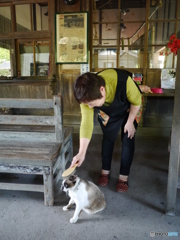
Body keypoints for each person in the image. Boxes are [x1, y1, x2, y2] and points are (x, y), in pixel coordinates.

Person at [71, 68, 144, 192]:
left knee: (128, 138)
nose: (89, 107)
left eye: (92, 104)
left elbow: (136, 102)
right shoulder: (86, 95)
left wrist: (130, 121)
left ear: (102, 90)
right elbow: (86, 124)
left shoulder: (124, 82)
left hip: (130, 109)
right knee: (108, 137)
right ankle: (105, 172)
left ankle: (123, 178)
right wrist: (82, 152)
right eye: (87, 104)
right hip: (108, 112)